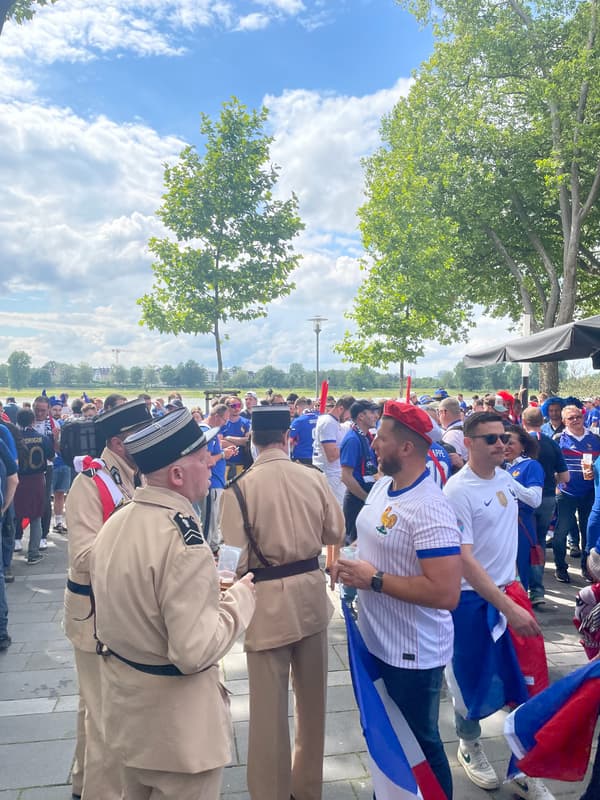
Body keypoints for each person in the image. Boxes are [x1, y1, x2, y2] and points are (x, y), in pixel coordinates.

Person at [90, 408, 256, 800]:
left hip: (128, 718)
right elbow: (192, 652)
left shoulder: (119, 518)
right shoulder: (185, 541)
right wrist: (239, 603)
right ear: (178, 474)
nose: (211, 464)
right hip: (178, 733)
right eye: (204, 458)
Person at [331, 401, 462, 799]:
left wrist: (375, 579)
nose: (372, 442)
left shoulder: (430, 508)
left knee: (420, 743)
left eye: (381, 438)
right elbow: (373, 540)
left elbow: (445, 592)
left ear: (406, 448)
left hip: (412, 651)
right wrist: (350, 560)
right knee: (389, 736)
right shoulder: (386, 486)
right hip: (377, 639)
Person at [221, 405, 345, 800]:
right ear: (289, 436)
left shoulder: (238, 488)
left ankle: (270, 793)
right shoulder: (311, 477)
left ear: (252, 441)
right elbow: (335, 531)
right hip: (310, 598)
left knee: (267, 716)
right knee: (312, 709)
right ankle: (307, 790)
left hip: (265, 605)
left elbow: (231, 563)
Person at [443, 411, 554, 800]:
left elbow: (533, 502)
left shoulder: (507, 476)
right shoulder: (456, 492)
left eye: (504, 437)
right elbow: (464, 559)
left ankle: (524, 766)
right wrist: (507, 607)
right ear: (469, 443)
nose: (501, 444)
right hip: (473, 601)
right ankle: (469, 744)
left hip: (511, 590)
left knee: (527, 681)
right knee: (470, 681)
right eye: (491, 439)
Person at [64, 397, 152, 800]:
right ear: (119, 442)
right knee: (105, 720)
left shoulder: (131, 476)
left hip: (110, 614)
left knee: (94, 709)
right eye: (141, 435)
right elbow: (83, 557)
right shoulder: (91, 482)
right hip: (95, 617)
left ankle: (83, 785)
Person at [522, 406, 569, 603]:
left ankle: (523, 588)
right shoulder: (552, 443)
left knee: (524, 542)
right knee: (539, 541)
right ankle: (538, 590)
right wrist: (550, 481)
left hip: (524, 500)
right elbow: (565, 476)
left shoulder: (520, 443)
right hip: (547, 497)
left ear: (523, 423)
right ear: (542, 421)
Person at [552, 404, 600, 582]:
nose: (575, 420)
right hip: (566, 493)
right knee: (561, 532)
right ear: (564, 421)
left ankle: (586, 568)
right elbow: (552, 463)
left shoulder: (595, 438)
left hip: (590, 493)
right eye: (571, 418)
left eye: (578, 416)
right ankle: (561, 567)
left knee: (588, 532)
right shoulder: (558, 438)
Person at [503, 425, 544, 596]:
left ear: (523, 446)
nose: (505, 447)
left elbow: (535, 500)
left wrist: (508, 481)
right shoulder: (504, 467)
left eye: (511, 443)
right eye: (503, 442)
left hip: (521, 524)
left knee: (520, 570)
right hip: (503, 524)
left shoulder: (531, 466)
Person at [312, 394, 356, 506]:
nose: (349, 417)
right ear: (341, 408)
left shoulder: (334, 422)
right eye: (349, 414)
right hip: (330, 475)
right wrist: (348, 447)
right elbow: (331, 455)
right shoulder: (328, 423)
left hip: (334, 474)